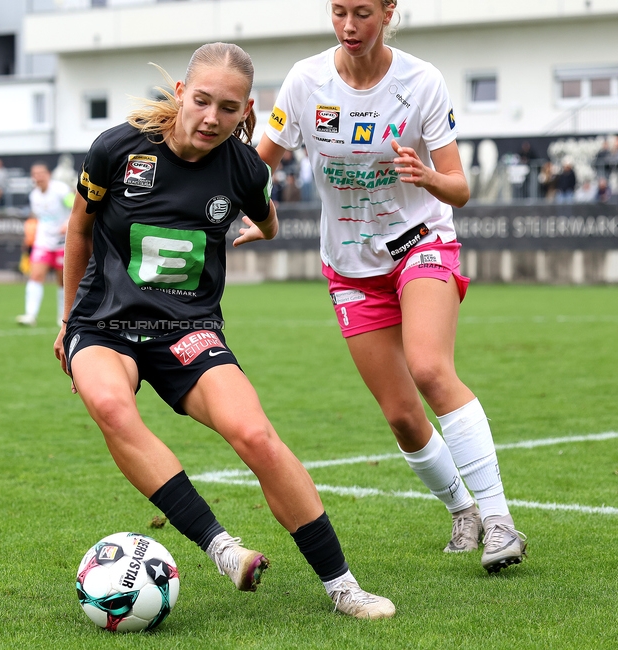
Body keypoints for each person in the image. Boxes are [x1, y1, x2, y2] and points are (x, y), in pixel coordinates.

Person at [54, 42, 395, 619]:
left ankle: (343, 587)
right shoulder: (116, 149)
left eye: (228, 108)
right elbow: (78, 232)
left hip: (187, 329)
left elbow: (266, 216)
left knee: (256, 435)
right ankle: (222, 548)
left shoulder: (244, 168)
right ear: (182, 93)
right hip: (105, 324)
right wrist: (67, 322)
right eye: (204, 101)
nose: (212, 118)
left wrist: (261, 230)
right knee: (111, 407)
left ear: (246, 112)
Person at [257, 0, 527, 574]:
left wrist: (428, 175)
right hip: (350, 265)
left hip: (420, 240)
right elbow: (260, 165)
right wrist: (252, 215)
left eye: (362, 13)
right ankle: (462, 510)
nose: (349, 27)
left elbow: (458, 189)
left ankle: (500, 520)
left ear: (388, 12)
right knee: (402, 416)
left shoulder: (420, 81)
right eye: (338, 12)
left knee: (430, 368)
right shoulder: (305, 81)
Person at [15, 162, 73, 327]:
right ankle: (30, 315)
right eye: (35, 174)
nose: (38, 177)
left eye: (41, 173)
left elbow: (75, 205)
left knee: (63, 281)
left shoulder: (60, 190)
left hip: (63, 242)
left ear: (48, 174)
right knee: (35, 275)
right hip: (43, 242)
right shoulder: (34, 195)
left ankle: (63, 317)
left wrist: (68, 222)